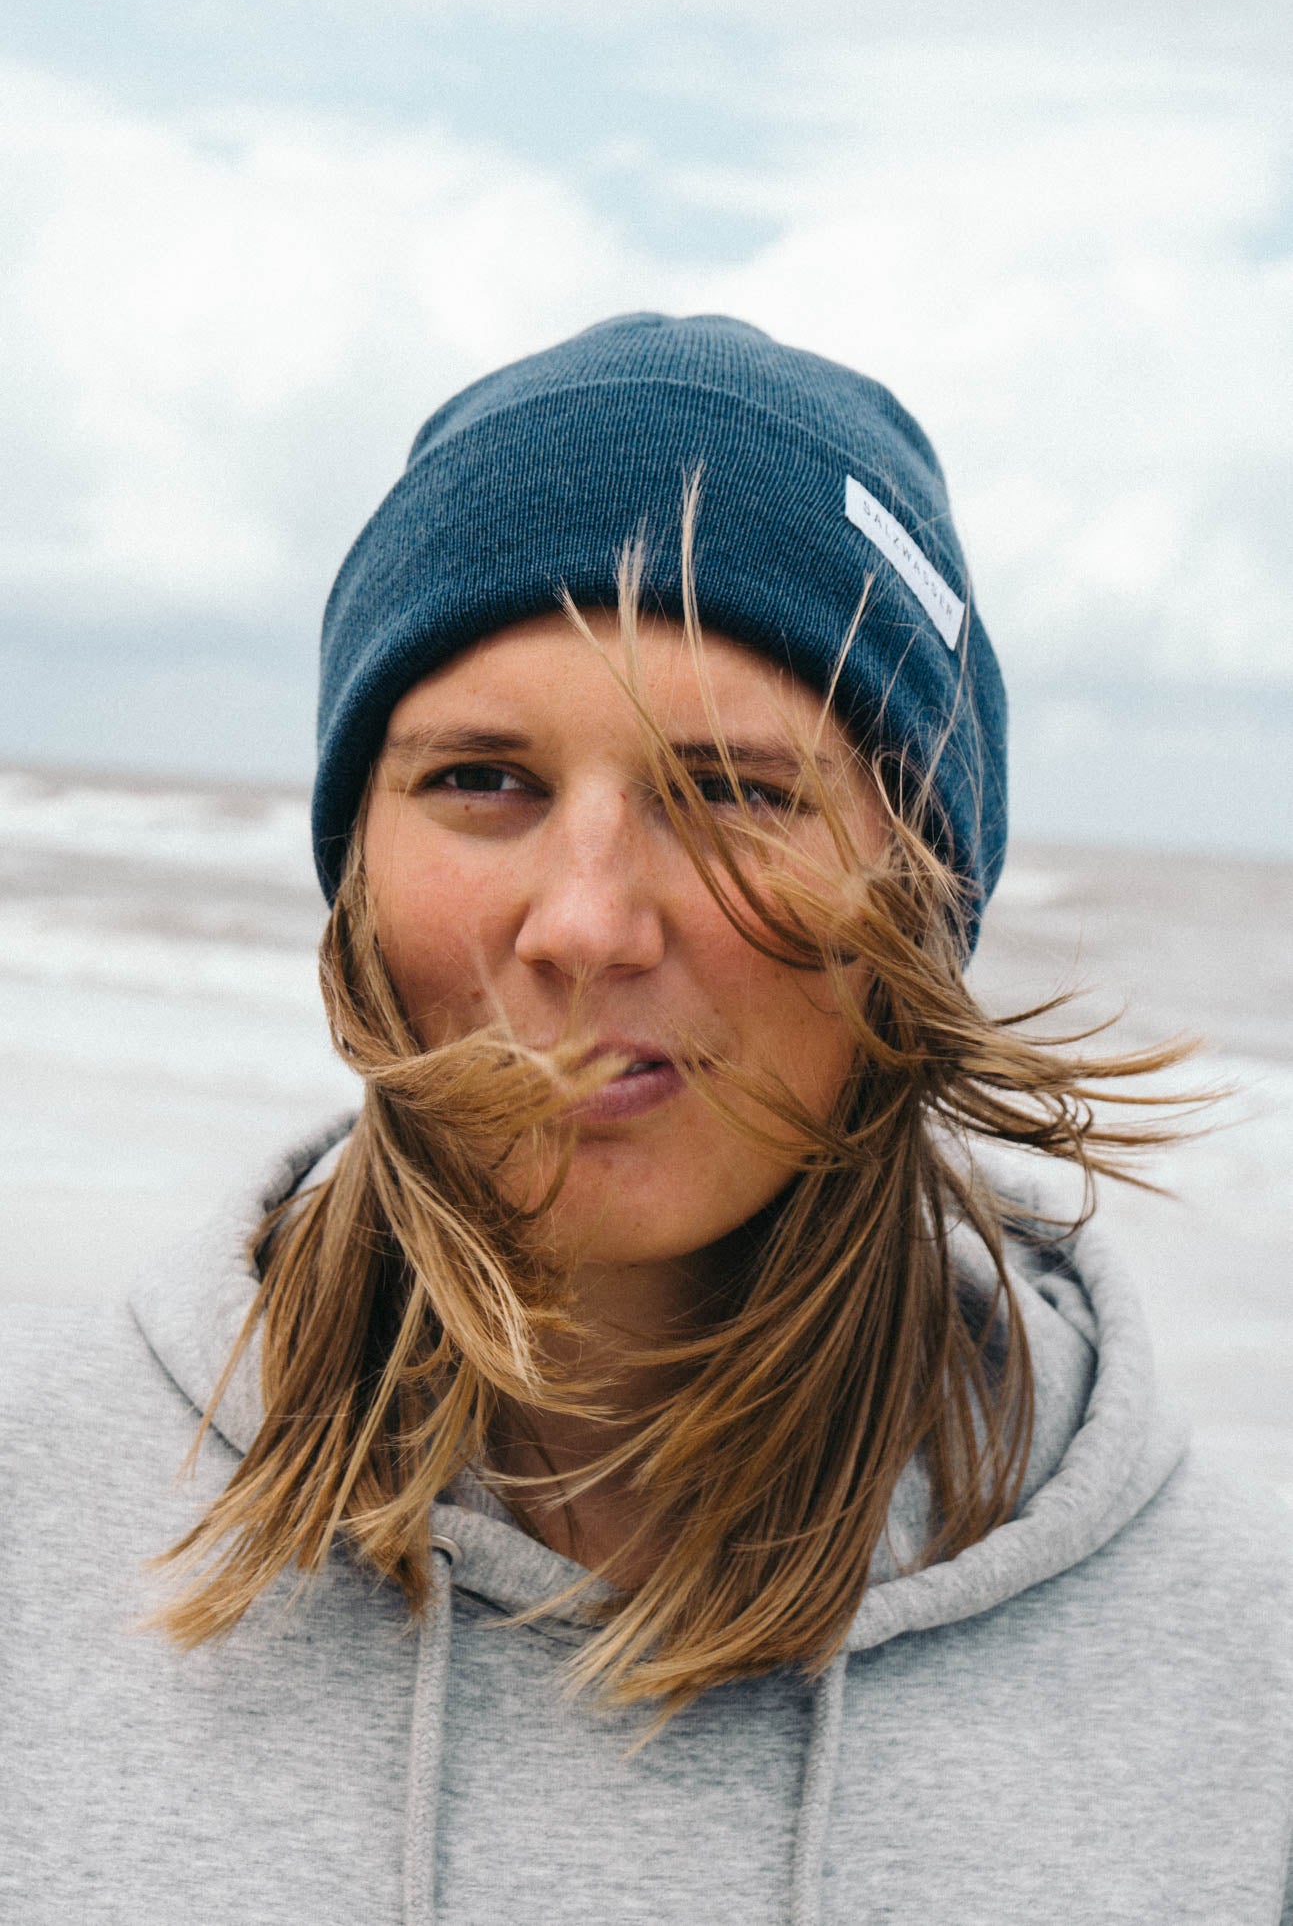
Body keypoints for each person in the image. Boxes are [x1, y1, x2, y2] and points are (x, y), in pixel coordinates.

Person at [2, 312, 1289, 1925]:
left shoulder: (1244, 1662)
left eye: (740, 791)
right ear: (352, 867)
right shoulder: (30, 1503)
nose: (585, 925)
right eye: (483, 779)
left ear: (925, 894)